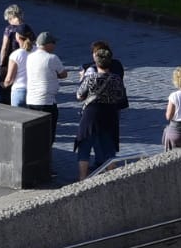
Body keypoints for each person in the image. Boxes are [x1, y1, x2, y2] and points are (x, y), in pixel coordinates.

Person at [75, 45, 127, 179]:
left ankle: (82, 178)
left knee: (84, 148)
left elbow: (79, 95)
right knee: (109, 149)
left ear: (96, 62)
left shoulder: (91, 78)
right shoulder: (116, 79)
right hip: (109, 115)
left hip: (91, 115)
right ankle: (112, 178)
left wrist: (82, 79)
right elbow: (121, 96)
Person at [23, 31, 68, 138]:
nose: (54, 46)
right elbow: (64, 74)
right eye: (53, 43)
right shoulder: (52, 58)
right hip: (46, 102)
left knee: (34, 134)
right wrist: (53, 74)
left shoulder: (30, 57)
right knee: (47, 136)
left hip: (31, 100)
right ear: (48, 44)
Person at [2, 27, 35, 107]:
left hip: (19, 91)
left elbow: (9, 79)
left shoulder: (16, 55)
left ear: (17, 37)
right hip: (34, 91)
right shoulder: (38, 51)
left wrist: (4, 84)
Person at [0, 5, 27, 87]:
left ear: (12, 17)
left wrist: (1, 63)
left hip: (10, 59)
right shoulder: (26, 28)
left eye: (9, 19)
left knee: (5, 85)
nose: (8, 21)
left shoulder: (9, 29)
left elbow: (4, 48)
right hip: (24, 59)